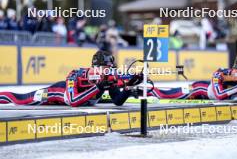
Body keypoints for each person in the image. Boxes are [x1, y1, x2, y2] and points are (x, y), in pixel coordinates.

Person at [0, 50, 141, 107]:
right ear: (96, 67)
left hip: (64, 103)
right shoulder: (76, 75)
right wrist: (98, 87)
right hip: (54, 94)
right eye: (106, 67)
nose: (109, 70)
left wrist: (128, 88)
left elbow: (117, 101)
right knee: (19, 99)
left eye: (110, 67)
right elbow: (73, 101)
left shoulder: (108, 78)